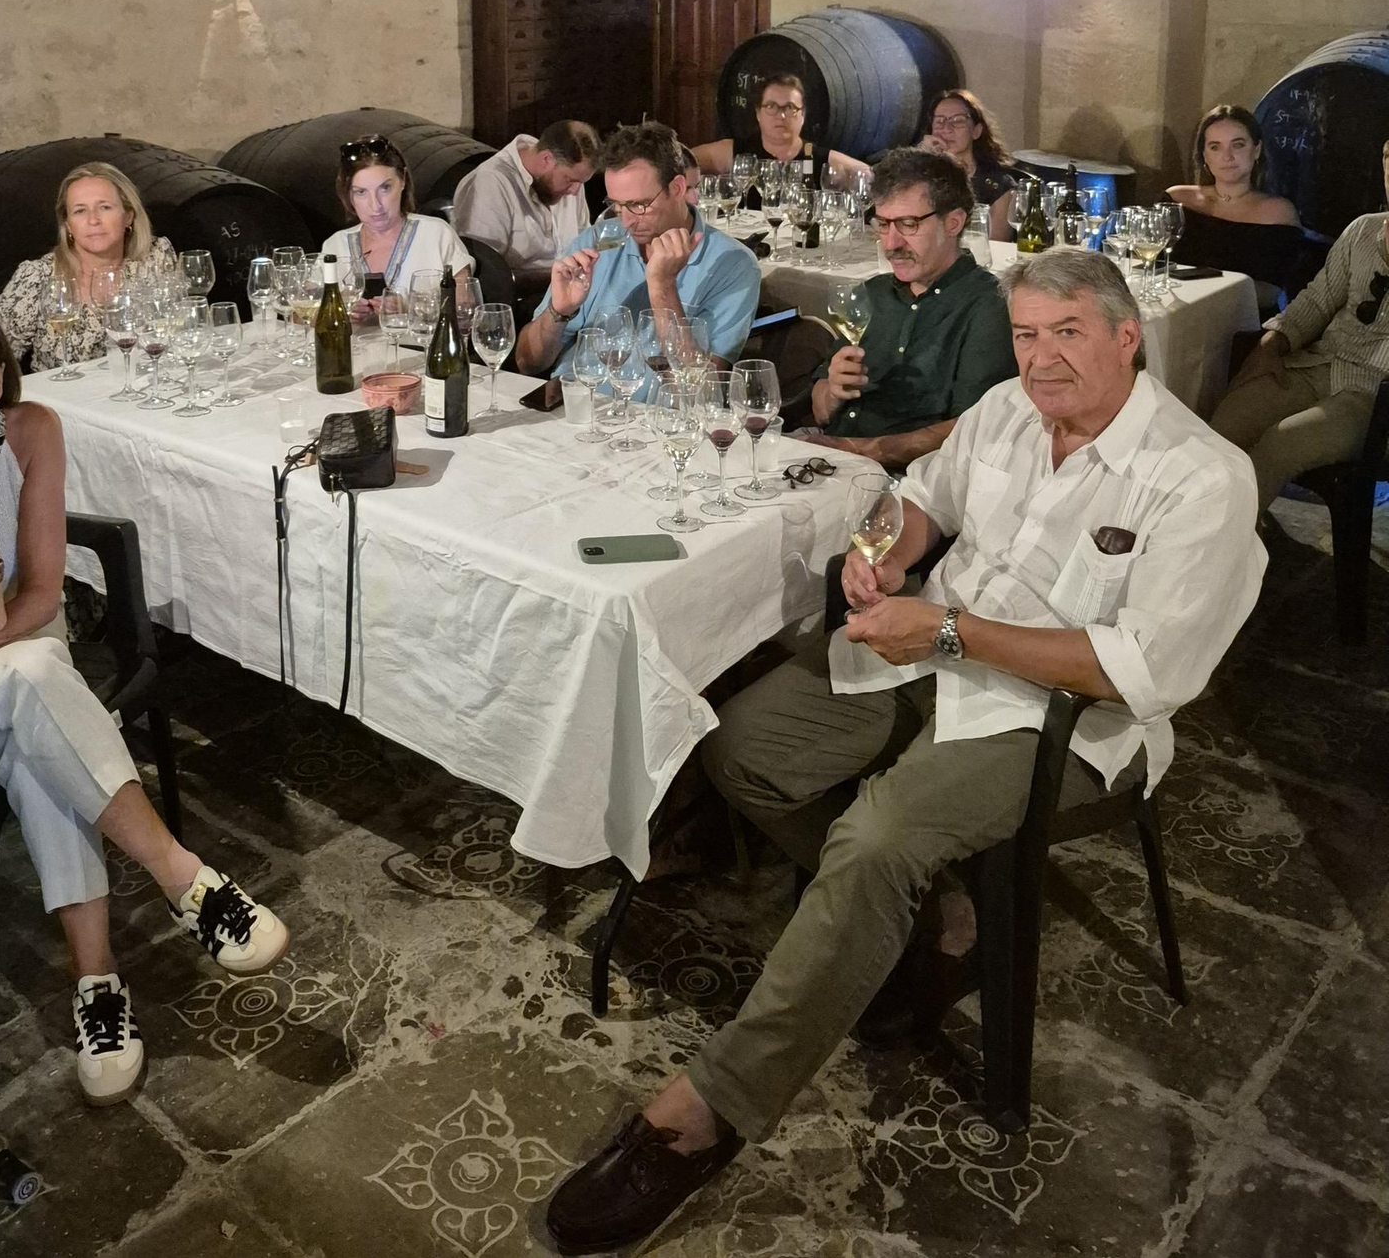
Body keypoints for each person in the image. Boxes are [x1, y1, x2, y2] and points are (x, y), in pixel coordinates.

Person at [546, 248, 1263, 1251]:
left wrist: (949, 633)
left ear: (1125, 336)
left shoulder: (1200, 477)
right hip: (937, 655)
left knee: (876, 838)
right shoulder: (1009, 409)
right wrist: (885, 548)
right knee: (740, 748)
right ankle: (917, 918)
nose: (1043, 358)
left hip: (1064, 717)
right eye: (1026, 332)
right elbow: (924, 491)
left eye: (1067, 333)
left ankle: (706, 1111)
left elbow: (1143, 669)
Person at [0, 293, 289, 1106]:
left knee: (27, 692)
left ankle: (99, 983)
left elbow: (35, 594)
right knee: (32, 690)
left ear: (5, 373)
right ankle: (183, 880)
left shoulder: (34, 428)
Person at [805, 148, 1016, 467]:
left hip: (912, 480)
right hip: (832, 458)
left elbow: (977, 427)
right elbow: (820, 409)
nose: (891, 244)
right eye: (883, 224)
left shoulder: (986, 304)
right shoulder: (871, 293)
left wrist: (871, 450)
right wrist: (832, 390)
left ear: (954, 222)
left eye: (907, 224)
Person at [1210, 137, 1389, 512]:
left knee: (1280, 445)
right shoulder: (1363, 231)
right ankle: (1187, 530)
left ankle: (1212, 550)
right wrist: (1271, 343)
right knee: (1222, 428)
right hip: (1318, 365)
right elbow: (1319, 299)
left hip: (1375, 395)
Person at [513, 120, 760, 380]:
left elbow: (699, 387)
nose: (627, 220)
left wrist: (662, 285)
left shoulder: (733, 265)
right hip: (575, 408)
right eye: (618, 206)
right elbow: (528, 364)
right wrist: (558, 312)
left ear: (676, 188)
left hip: (657, 416)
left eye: (639, 205)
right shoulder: (597, 241)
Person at [0, 163, 176, 371]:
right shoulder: (37, 276)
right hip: (59, 400)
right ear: (69, 225)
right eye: (80, 211)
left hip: (142, 393)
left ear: (128, 216)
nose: (93, 220)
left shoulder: (154, 258)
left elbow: (179, 333)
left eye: (105, 207)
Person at [308, 133, 472, 299]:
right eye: (361, 192)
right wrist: (340, 308)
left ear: (403, 180)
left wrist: (408, 310)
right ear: (347, 193)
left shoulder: (436, 235)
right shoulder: (335, 246)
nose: (375, 205)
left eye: (385, 188)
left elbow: (464, 311)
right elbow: (299, 316)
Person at [1166, 104, 1303, 304]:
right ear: (1204, 155)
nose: (1227, 156)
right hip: (1171, 310)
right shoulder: (1175, 199)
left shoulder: (1278, 212)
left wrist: (1202, 291)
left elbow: (1269, 295)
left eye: (1238, 145)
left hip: (1238, 324)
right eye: (1215, 147)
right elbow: (1141, 265)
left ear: (1256, 150)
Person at [449, 120, 599, 287]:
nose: (575, 192)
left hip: (573, 290)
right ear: (546, 159)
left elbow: (584, 239)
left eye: (582, 182)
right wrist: (557, 275)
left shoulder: (572, 178)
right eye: (570, 180)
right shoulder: (492, 182)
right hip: (520, 299)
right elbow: (487, 272)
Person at [691, 70, 867, 188]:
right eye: (771, 106)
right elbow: (680, 161)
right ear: (758, 113)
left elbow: (871, 178)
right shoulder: (735, 152)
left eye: (789, 107)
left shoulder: (818, 158)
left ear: (803, 115)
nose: (781, 116)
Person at [917, 88, 1018, 240]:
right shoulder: (922, 176)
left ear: (976, 131)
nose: (946, 129)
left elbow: (996, 247)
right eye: (939, 121)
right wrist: (922, 158)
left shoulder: (998, 186)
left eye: (957, 121)